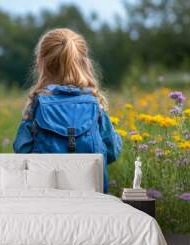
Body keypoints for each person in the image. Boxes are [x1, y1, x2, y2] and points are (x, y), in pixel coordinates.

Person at [13, 28, 121, 193]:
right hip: (91, 199)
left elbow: (22, 150)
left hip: (45, 199)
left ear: (40, 63)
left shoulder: (36, 106)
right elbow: (112, 151)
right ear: (84, 63)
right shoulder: (95, 105)